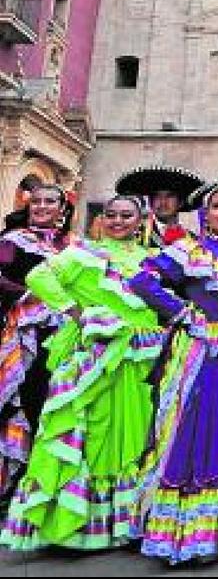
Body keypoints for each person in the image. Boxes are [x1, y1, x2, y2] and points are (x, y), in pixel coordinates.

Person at [1, 195, 161, 549]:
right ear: (101, 218)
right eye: (111, 215)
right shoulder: (82, 253)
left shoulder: (151, 260)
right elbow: (38, 275)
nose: (118, 221)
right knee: (88, 432)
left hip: (138, 357)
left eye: (126, 216)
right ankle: (73, 525)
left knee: (132, 435)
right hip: (94, 354)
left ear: (141, 220)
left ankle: (122, 522)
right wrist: (77, 312)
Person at [126, 183, 218, 563]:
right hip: (207, 353)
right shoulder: (190, 250)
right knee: (201, 429)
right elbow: (141, 280)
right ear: (205, 214)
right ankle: (191, 536)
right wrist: (184, 314)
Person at [0, 185, 78, 502]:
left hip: (66, 334)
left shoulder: (73, 246)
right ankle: (14, 482)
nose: (42, 206)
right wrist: (37, 295)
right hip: (26, 333)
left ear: (63, 209)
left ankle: (44, 485)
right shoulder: (12, 240)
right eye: (37, 201)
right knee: (26, 398)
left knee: (55, 401)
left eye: (50, 201)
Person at [115, 166, 205, 247]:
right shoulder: (133, 234)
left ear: (180, 202)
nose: (163, 202)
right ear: (150, 202)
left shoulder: (193, 241)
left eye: (170, 196)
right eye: (157, 196)